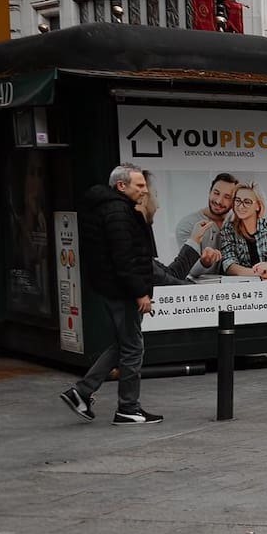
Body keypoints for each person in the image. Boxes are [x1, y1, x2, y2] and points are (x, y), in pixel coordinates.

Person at [59, 163, 162, 425]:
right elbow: (124, 258)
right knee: (133, 347)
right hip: (122, 290)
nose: (144, 190)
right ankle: (128, 407)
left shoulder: (108, 207)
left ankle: (81, 392)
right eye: (139, 185)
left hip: (110, 287)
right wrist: (140, 293)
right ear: (121, 185)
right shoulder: (118, 212)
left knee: (123, 344)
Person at [138, 170, 219, 286]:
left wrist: (194, 239)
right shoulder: (128, 244)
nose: (158, 205)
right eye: (155, 195)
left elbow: (171, 275)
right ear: (143, 198)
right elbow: (168, 282)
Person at [175, 173, 236, 278]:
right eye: (216, 193)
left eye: (227, 197)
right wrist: (204, 262)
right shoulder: (187, 224)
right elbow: (188, 268)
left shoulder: (238, 222)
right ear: (210, 192)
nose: (218, 201)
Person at [219, 182, 267, 279]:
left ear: (258, 206)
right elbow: (229, 265)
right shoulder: (228, 229)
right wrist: (259, 273)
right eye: (238, 200)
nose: (241, 206)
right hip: (245, 287)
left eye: (247, 202)